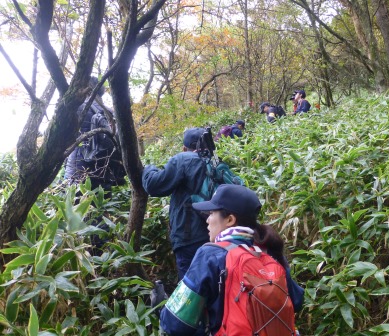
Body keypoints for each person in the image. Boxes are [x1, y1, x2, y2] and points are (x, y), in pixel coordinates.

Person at [159, 184, 304, 335]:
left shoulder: (209, 255)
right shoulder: (267, 254)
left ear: (229, 220)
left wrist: (161, 309)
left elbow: (176, 324)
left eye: (211, 213)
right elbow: (297, 301)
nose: (207, 220)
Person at [142, 127, 210, 280]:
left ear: (184, 148)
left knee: (189, 292)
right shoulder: (214, 160)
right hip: (215, 234)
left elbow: (154, 185)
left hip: (189, 237)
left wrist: (149, 169)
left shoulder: (183, 159)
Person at [64, 76, 125, 192]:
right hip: (105, 173)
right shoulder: (111, 113)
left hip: (78, 172)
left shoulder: (78, 108)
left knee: (77, 207)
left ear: (85, 89)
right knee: (102, 207)